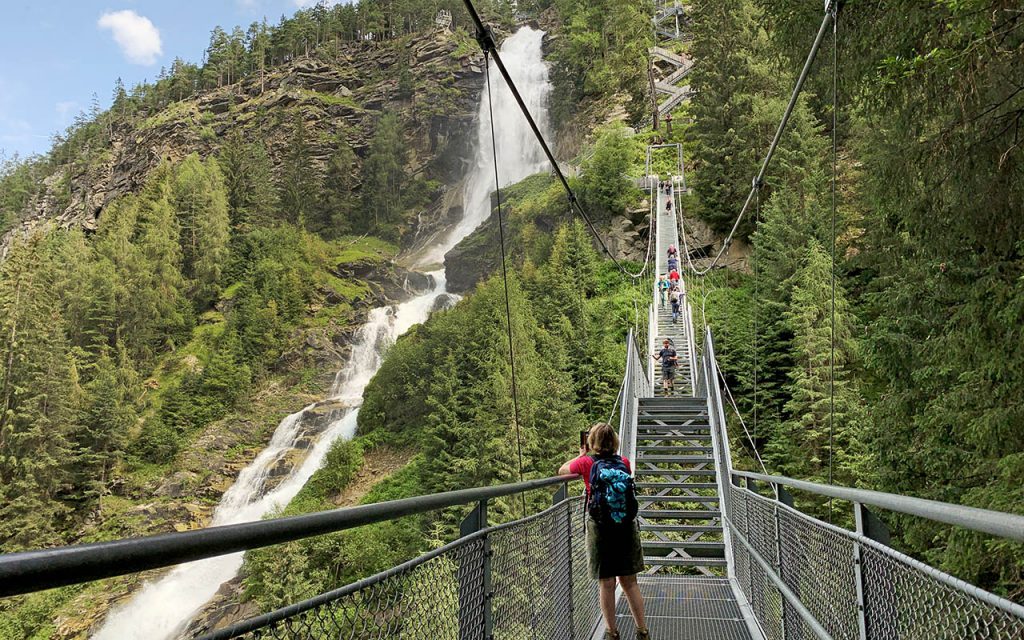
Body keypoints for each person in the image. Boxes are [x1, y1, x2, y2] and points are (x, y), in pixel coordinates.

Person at [559, 424, 649, 640]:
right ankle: (642, 631)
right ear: (615, 441)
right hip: (625, 525)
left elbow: (562, 472)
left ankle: (611, 633)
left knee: (606, 582)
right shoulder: (624, 462)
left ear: (592, 442)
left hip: (600, 528)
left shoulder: (586, 463)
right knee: (630, 581)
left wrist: (581, 454)